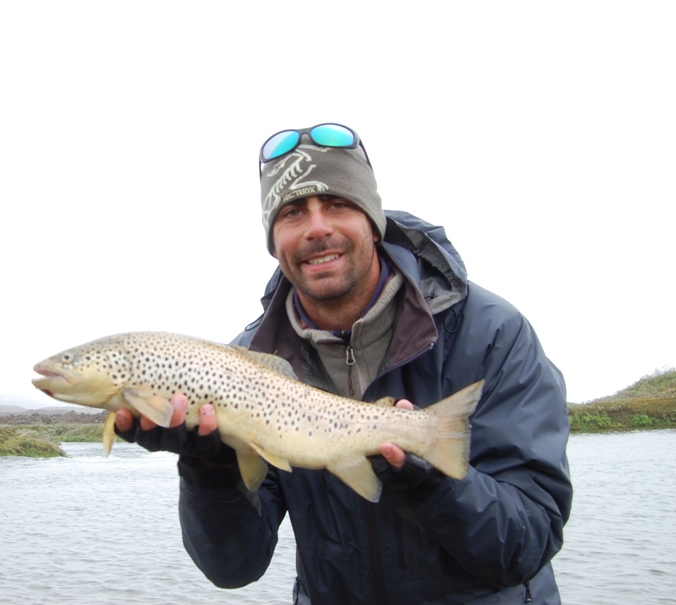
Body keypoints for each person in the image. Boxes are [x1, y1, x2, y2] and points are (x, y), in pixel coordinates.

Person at [115, 123, 572, 604]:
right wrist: (210, 470)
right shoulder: (246, 367)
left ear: (372, 222)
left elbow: (528, 544)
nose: (317, 228)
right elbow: (234, 568)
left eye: (337, 205)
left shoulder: (491, 333)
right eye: (292, 213)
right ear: (274, 240)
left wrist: (431, 486)